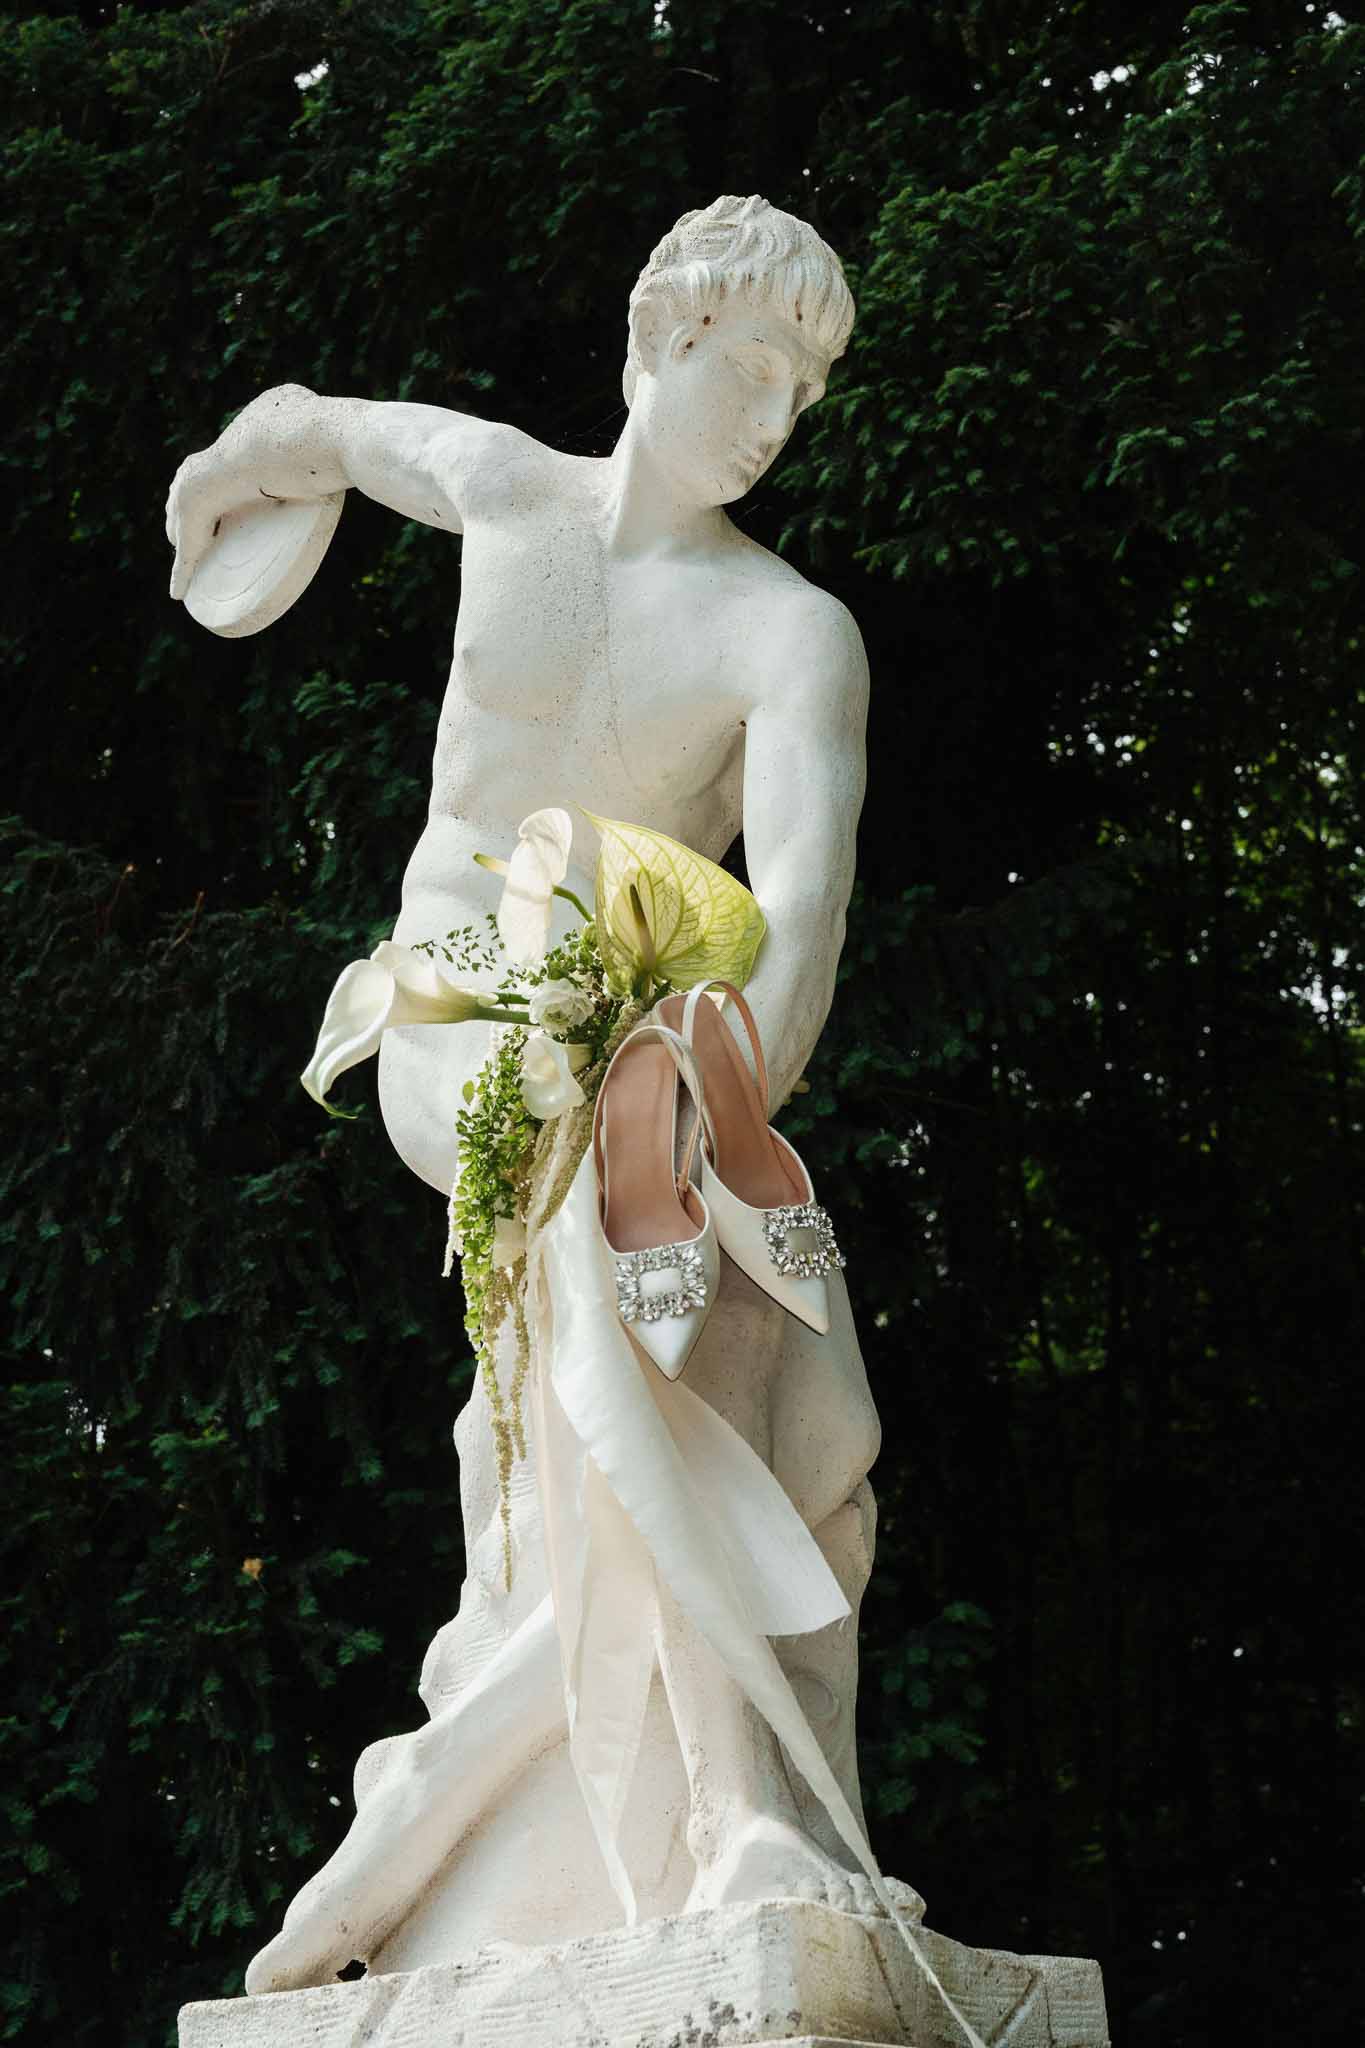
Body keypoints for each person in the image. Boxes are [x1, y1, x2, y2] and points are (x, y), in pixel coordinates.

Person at [166, 195, 890, 1990]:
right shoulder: (505, 492)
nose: (771, 419)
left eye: (801, 392)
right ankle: (712, 1816)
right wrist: (226, 483)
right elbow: (315, 428)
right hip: (449, 1006)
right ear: (655, 345)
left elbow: (793, 928)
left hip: (665, 1056)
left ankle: (483, 1819)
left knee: (722, 1316)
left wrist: (733, 1117)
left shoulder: (790, 635)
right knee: (582, 1214)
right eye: (749, 369)